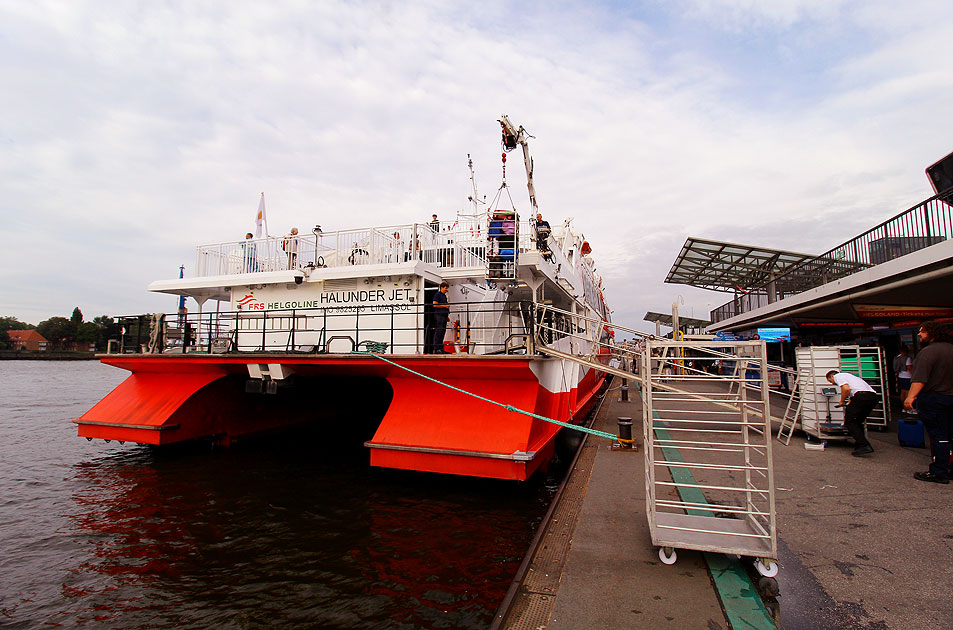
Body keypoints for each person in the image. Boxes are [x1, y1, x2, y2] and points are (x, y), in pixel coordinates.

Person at [904, 321, 953, 484]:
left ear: (932, 333)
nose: (919, 334)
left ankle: (939, 471)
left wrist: (910, 397)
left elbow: (919, 379)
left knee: (939, 435)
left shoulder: (928, 352)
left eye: (922, 332)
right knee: (950, 434)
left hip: (934, 399)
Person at [826, 369, 877, 456]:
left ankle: (864, 445)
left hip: (861, 397)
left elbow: (846, 389)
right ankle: (860, 445)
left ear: (832, 376)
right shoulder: (853, 378)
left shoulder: (838, 376)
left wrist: (842, 401)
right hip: (872, 398)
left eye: (831, 381)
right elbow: (853, 392)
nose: (833, 384)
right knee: (857, 422)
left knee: (849, 422)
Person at [432, 281, 450, 353]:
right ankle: (436, 348)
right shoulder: (437, 295)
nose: (447, 290)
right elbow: (435, 304)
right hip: (439, 315)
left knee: (442, 331)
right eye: (446, 288)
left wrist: (447, 316)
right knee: (439, 331)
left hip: (444, 316)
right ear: (441, 288)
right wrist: (445, 306)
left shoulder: (444, 296)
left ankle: (441, 348)